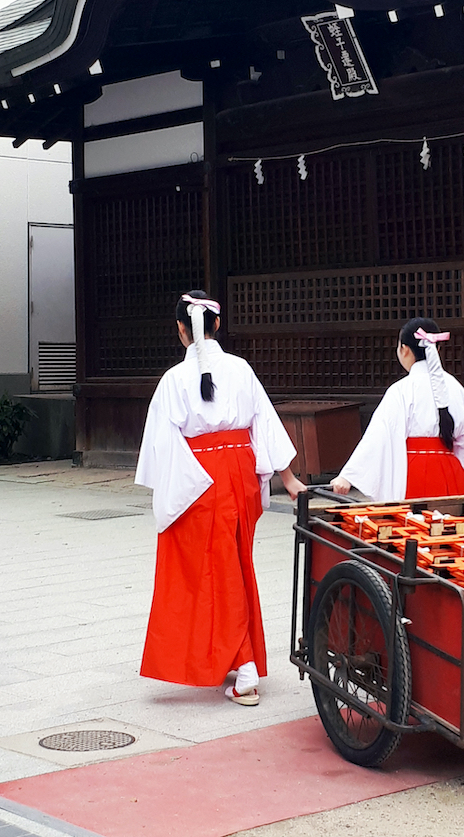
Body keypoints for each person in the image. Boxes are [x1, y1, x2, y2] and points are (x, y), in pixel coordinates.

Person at [135, 290, 305, 706]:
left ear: (181, 330)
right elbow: (264, 421)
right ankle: (232, 653)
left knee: (214, 573)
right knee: (233, 565)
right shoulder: (241, 369)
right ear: (215, 326)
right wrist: (288, 477)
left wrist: (179, 487)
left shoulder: (174, 380)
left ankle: (245, 668)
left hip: (198, 476)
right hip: (239, 473)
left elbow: (162, 444)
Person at [330, 317, 464, 501]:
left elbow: (379, 435)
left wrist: (348, 476)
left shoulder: (402, 390)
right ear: (437, 349)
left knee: (414, 526)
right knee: (451, 526)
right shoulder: (456, 389)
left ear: (404, 349)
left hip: (414, 473)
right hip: (451, 472)